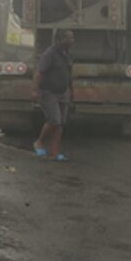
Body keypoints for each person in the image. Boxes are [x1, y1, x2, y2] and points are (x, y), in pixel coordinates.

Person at [32, 30, 74, 162]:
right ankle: (39, 142)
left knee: (60, 124)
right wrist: (34, 90)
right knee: (54, 120)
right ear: (61, 40)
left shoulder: (67, 54)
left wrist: (72, 91)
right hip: (48, 92)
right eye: (69, 38)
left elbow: (69, 74)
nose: (72, 41)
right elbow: (39, 73)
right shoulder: (49, 54)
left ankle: (54, 153)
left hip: (63, 93)